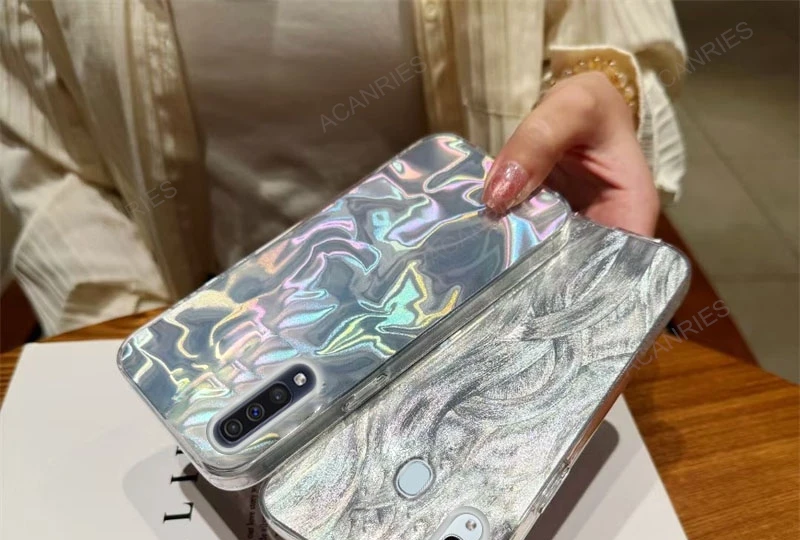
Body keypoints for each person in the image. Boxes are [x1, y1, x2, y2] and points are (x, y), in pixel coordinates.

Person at [0, 0, 686, 337]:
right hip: (203, 333)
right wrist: (150, 341)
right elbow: (42, 151)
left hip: (490, 326)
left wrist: (607, 98)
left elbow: (615, 49)